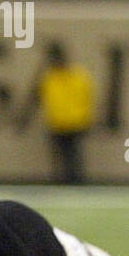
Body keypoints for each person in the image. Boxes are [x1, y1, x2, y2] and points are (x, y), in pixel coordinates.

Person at [37, 41, 95, 184]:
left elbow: (87, 98)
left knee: (73, 154)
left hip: (75, 122)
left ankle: (75, 180)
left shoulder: (78, 76)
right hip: (57, 123)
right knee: (59, 154)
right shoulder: (49, 78)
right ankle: (61, 180)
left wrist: (86, 118)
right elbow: (45, 99)